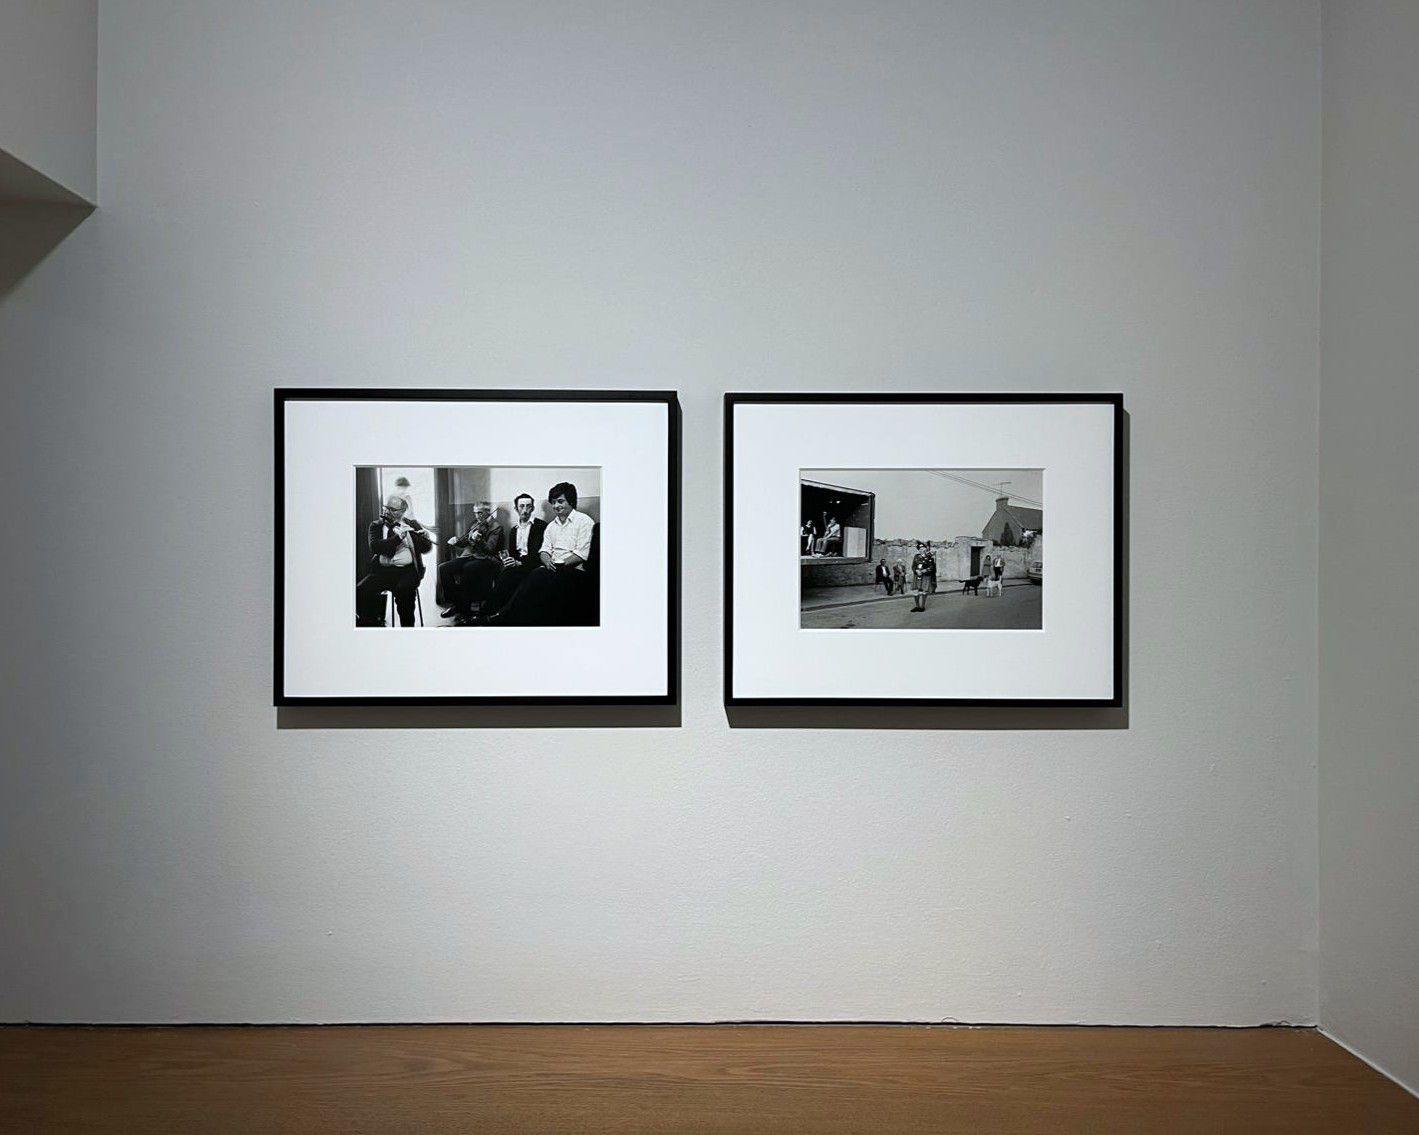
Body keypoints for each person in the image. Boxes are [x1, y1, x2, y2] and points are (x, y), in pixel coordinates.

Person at [484, 482, 595, 626]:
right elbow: (544, 550)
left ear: (571, 501)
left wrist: (556, 565)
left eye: (560, 501)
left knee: (537, 574)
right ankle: (489, 613)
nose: (556, 506)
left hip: (575, 571)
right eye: (553, 502)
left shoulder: (584, 521)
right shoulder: (552, 526)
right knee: (510, 574)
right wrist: (547, 561)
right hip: (553, 568)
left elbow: (582, 554)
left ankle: (503, 616)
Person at [356, 494, 433, 626]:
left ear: (403, 511)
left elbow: (426, 549)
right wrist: (398, 537)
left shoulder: (412, 524)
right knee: (362, 589)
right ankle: (371, 624)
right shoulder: (376, 526)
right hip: (382, 571)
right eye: (386, 507)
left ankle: (407, 629)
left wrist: (425, 538)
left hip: (407, 572)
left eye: (392, 509)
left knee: (405, 593)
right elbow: (375, 547)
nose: (387, 511)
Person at [479, 493, 547, 621]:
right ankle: (487, 614)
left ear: (532, 508)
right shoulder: (514, 530)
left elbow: (538, 554)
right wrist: (509, 561)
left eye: (528, 506)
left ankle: (492, 616)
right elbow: (513, 553)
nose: (525, 510)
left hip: (534, 566)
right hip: (518, 565)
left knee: (508, 579)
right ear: (516, 509)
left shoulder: (541, 526)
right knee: (503, 577)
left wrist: (518, 563)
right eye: (522, 506)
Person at [437, 501, 504, 621]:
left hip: (486, 559)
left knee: (469, 568)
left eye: (480, 513)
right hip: (470, 556)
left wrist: (479, 540)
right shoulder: (475, 524)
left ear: (488, 512)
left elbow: (490, 549)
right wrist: (457, 541)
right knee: (444, 568)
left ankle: (465, 609)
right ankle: (457, 604)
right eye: (475, 513)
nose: (477, 516)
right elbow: (465, 541)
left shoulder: (496, 527)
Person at [910, 541, 929, 613]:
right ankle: (917, 606)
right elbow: (913, 566)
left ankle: (922, 606)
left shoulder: (929, 556)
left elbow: (932, 567)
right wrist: (916, 570)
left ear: (925, 549)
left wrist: (925, 570)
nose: (921, 550)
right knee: (915, 590)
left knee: (924, 590)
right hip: (917, 575)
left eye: (923, 548)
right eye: (920, 549)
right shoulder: (916, 556)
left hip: (925, 576)